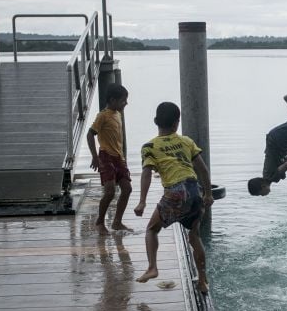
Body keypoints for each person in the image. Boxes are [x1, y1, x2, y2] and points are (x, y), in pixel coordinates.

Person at [133, 102, 214, 294]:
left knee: (152, 229)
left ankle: (152, 268)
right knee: (194, 236)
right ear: (177, 123)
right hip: (194, 191)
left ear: (155, 121)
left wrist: (142, 201)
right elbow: (202, 169)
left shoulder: (149, 146)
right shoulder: (187, 141)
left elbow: (146, 173)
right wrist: (209, 194)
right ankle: (203, 281)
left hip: (175, 192)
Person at [86, 84, 132, 234]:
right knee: (110, 192)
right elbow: (90, 134)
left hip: (119, 158)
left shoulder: (118, 114)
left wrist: (123, 159)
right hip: (106, 157)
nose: (126, 103)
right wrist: (94, 156)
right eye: (123, 100)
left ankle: (117, 222)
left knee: (127, 188)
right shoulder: (103, 116)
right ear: (113, 100)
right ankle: (99, 222)